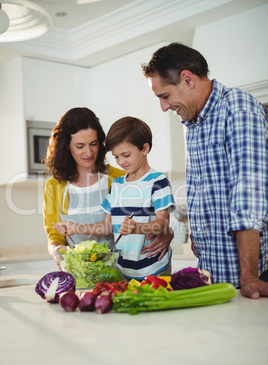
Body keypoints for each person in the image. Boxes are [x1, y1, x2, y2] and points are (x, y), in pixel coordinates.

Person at [141, 42, 268, 299]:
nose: (164, 107)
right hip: (214, 275)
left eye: (164, 96)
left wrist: (250, 277)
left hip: (246, 278)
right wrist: (198, 235)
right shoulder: (192, 121)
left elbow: (248, 199)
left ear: (187, 79)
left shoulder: (238, 108)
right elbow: (202, 186)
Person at [44, 108, 173, 267]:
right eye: (80, 146)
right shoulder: (54, 187)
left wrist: (166, 231)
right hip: (80, 272)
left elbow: (152, 217)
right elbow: (54, 235)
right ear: (66, 146)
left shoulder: (120, 178)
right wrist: (57, 250)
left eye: (93, 144)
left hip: (118, 270)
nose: (89, 152)